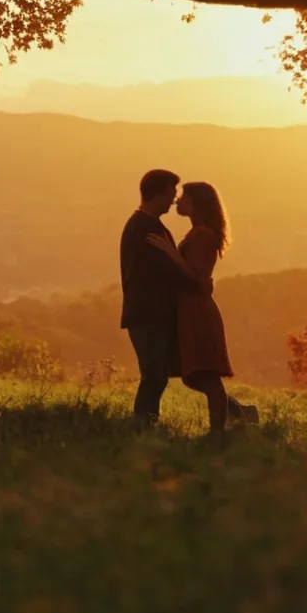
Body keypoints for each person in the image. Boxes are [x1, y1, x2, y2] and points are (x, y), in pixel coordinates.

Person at [146, 181, 246, 433]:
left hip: (197, 311)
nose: (178, 201)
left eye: (184, 197)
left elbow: (196, 276)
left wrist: (170, 253)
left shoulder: (203, 235)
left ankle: (218, 431)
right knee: (193, 374)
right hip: (189, 308)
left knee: (205, 375)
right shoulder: (199, 232)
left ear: (197, 203)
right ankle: (237, 414)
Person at [119, 169, 190, 425]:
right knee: (154, 375)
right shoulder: (146, 230)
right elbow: (161, 274)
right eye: (171, 195)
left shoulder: (144, 226)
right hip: (149, 314)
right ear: (157, 194)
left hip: (149, 313)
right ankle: (144, 426)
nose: (173, 201)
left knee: (157, 374)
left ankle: (146, 425)